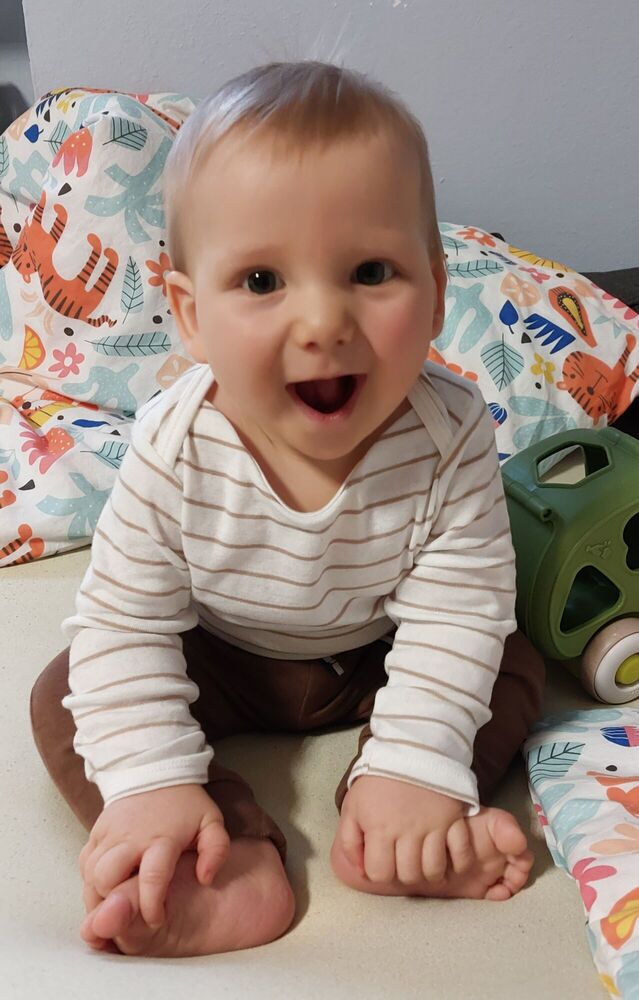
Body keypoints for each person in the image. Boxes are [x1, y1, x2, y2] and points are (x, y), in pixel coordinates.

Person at [30, 60, 545, 959]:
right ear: (191, 314)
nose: (321, 322)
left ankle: (392, 818)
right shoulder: (174, 446)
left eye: (370, 271)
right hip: (224, 656)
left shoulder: (451, 430)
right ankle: (213, 851)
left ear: (434, 291)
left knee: (506, 662)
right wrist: (150, 779)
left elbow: (457, 610)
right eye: (263, 280)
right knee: (67, 696)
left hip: (381, 652)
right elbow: (127, 621)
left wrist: (415, 761)